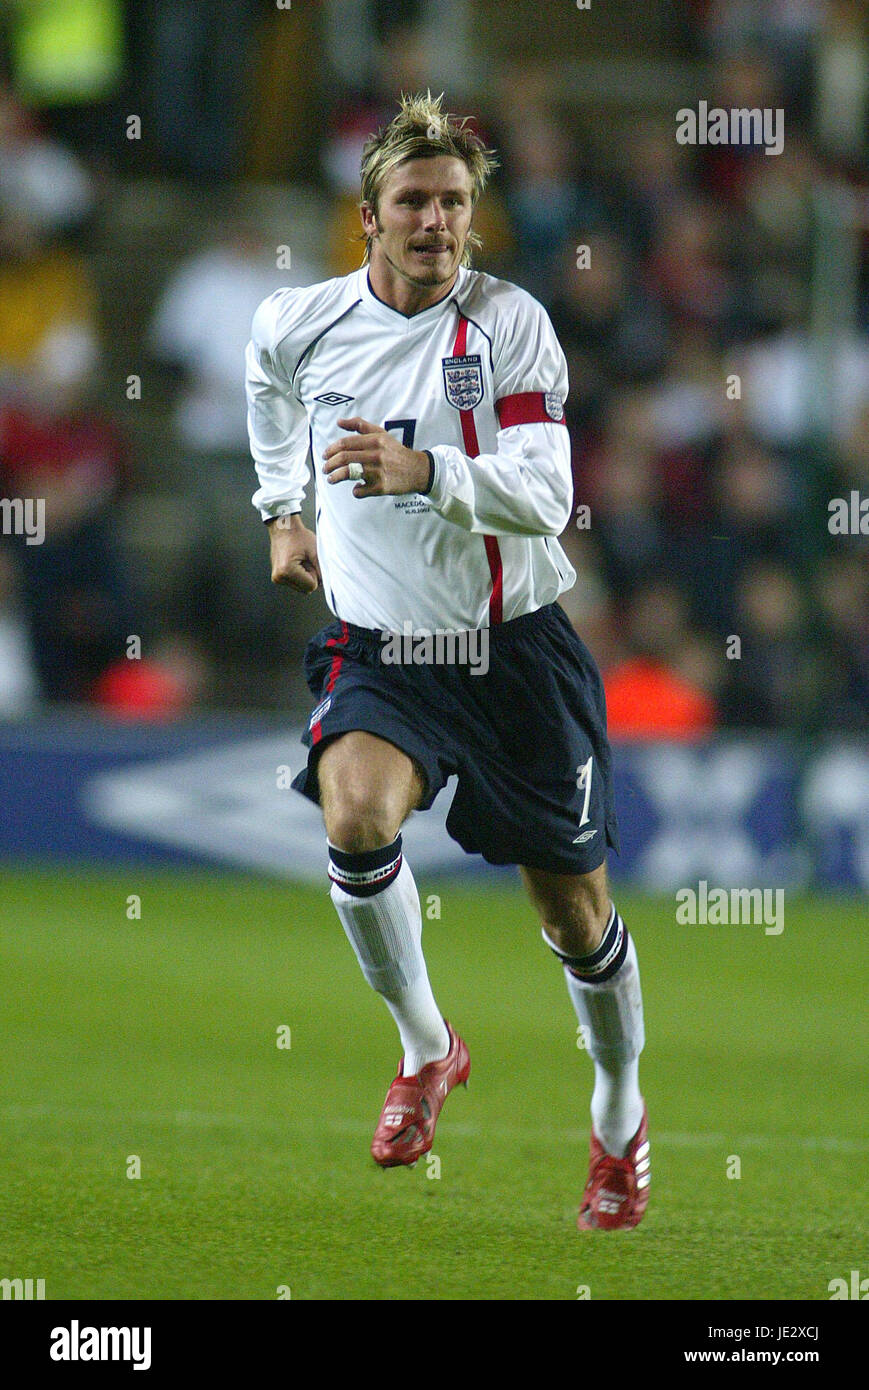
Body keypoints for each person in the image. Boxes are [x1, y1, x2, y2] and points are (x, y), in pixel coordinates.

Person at [245, 93, 649, 1231]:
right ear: (366, 215)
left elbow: (548, 494)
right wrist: (282, 509)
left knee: (573, 917)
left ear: (475, 218)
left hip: (515, 649)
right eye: (412, 200)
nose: (434, 220)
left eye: (454, 203)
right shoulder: (300, 320)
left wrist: (421, 474)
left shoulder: (508, 324)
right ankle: (428, 1047)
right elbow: (267, 391)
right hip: (385, 647)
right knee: (355, 812)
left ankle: (616, 1117)